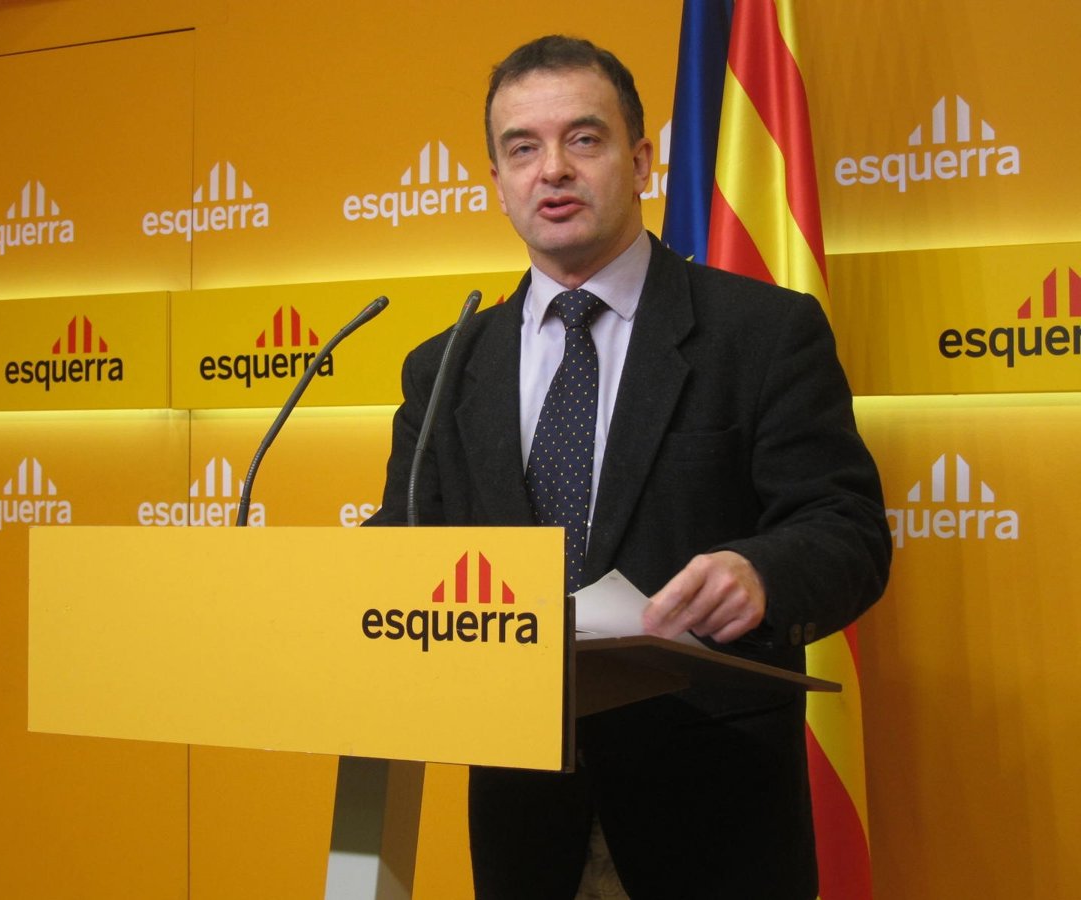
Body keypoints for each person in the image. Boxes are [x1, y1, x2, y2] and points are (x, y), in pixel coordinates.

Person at [366, 34, 891, 900]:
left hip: (715, 815)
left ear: (642, 160)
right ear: (496, 178)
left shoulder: (762, 332)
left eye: (584, 138)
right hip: (525, 819)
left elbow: (848, 530)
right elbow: (405, 545)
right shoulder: (446, 365)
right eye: (522, 148)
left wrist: (760, 570)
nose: (552, 170)